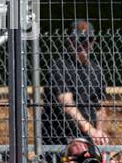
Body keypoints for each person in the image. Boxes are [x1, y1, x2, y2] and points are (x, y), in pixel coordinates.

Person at [44, 19, 109, 152]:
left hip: (89, 137)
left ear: (93, 42)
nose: (82, 45)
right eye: (78, 40)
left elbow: (100, 107)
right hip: (60, 137)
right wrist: (90, 130)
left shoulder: (96, 69)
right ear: (70, 40)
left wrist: (99, 132)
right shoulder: (60, 66)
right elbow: (66, 104)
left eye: (87, 40)